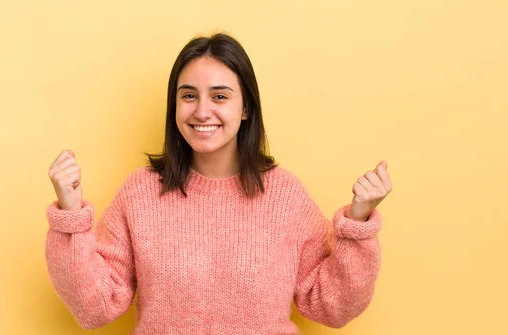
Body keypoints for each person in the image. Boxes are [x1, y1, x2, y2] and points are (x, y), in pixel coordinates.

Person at [45, 33, 392, 334]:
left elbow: (329, 306)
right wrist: (70, 216)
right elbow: (95, 308)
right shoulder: (141, 193)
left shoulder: (285, 197)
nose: (202, 111)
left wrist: (357, 223)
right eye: (189, 95)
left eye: (220, 96)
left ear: (245, 109)